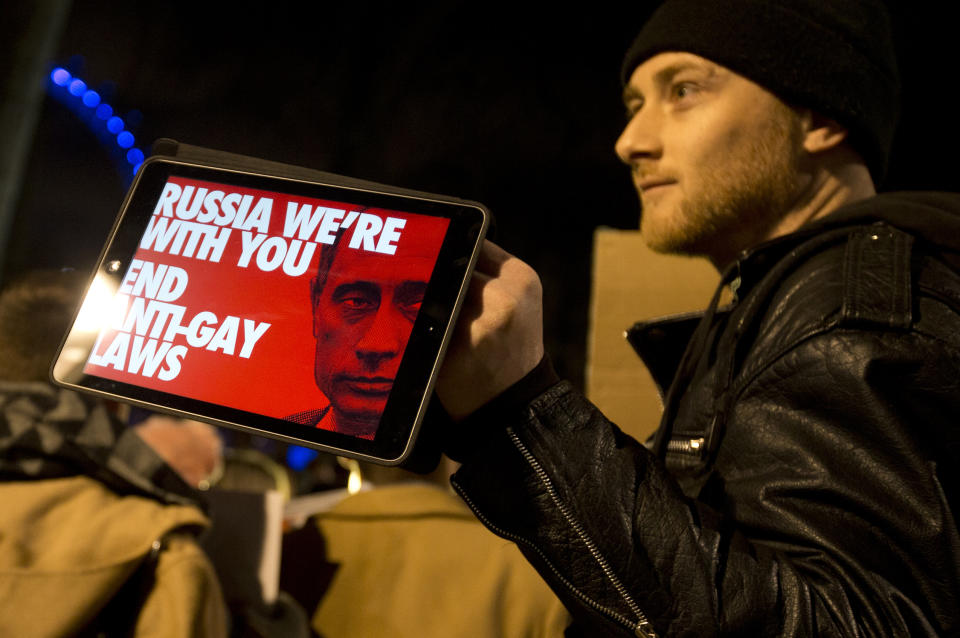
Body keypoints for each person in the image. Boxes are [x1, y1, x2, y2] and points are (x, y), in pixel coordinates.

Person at [434, 0, 960, 636]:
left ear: (820, 115)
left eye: (683, 91)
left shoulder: (840, 315)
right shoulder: (783, 307)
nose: (631, 142)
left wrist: (520, 412)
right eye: (634, 104)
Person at [289, 229, 432, 439]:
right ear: (316, 305)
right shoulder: (292, 425)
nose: (376, 345)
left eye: (417, 305)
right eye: (356, 302)